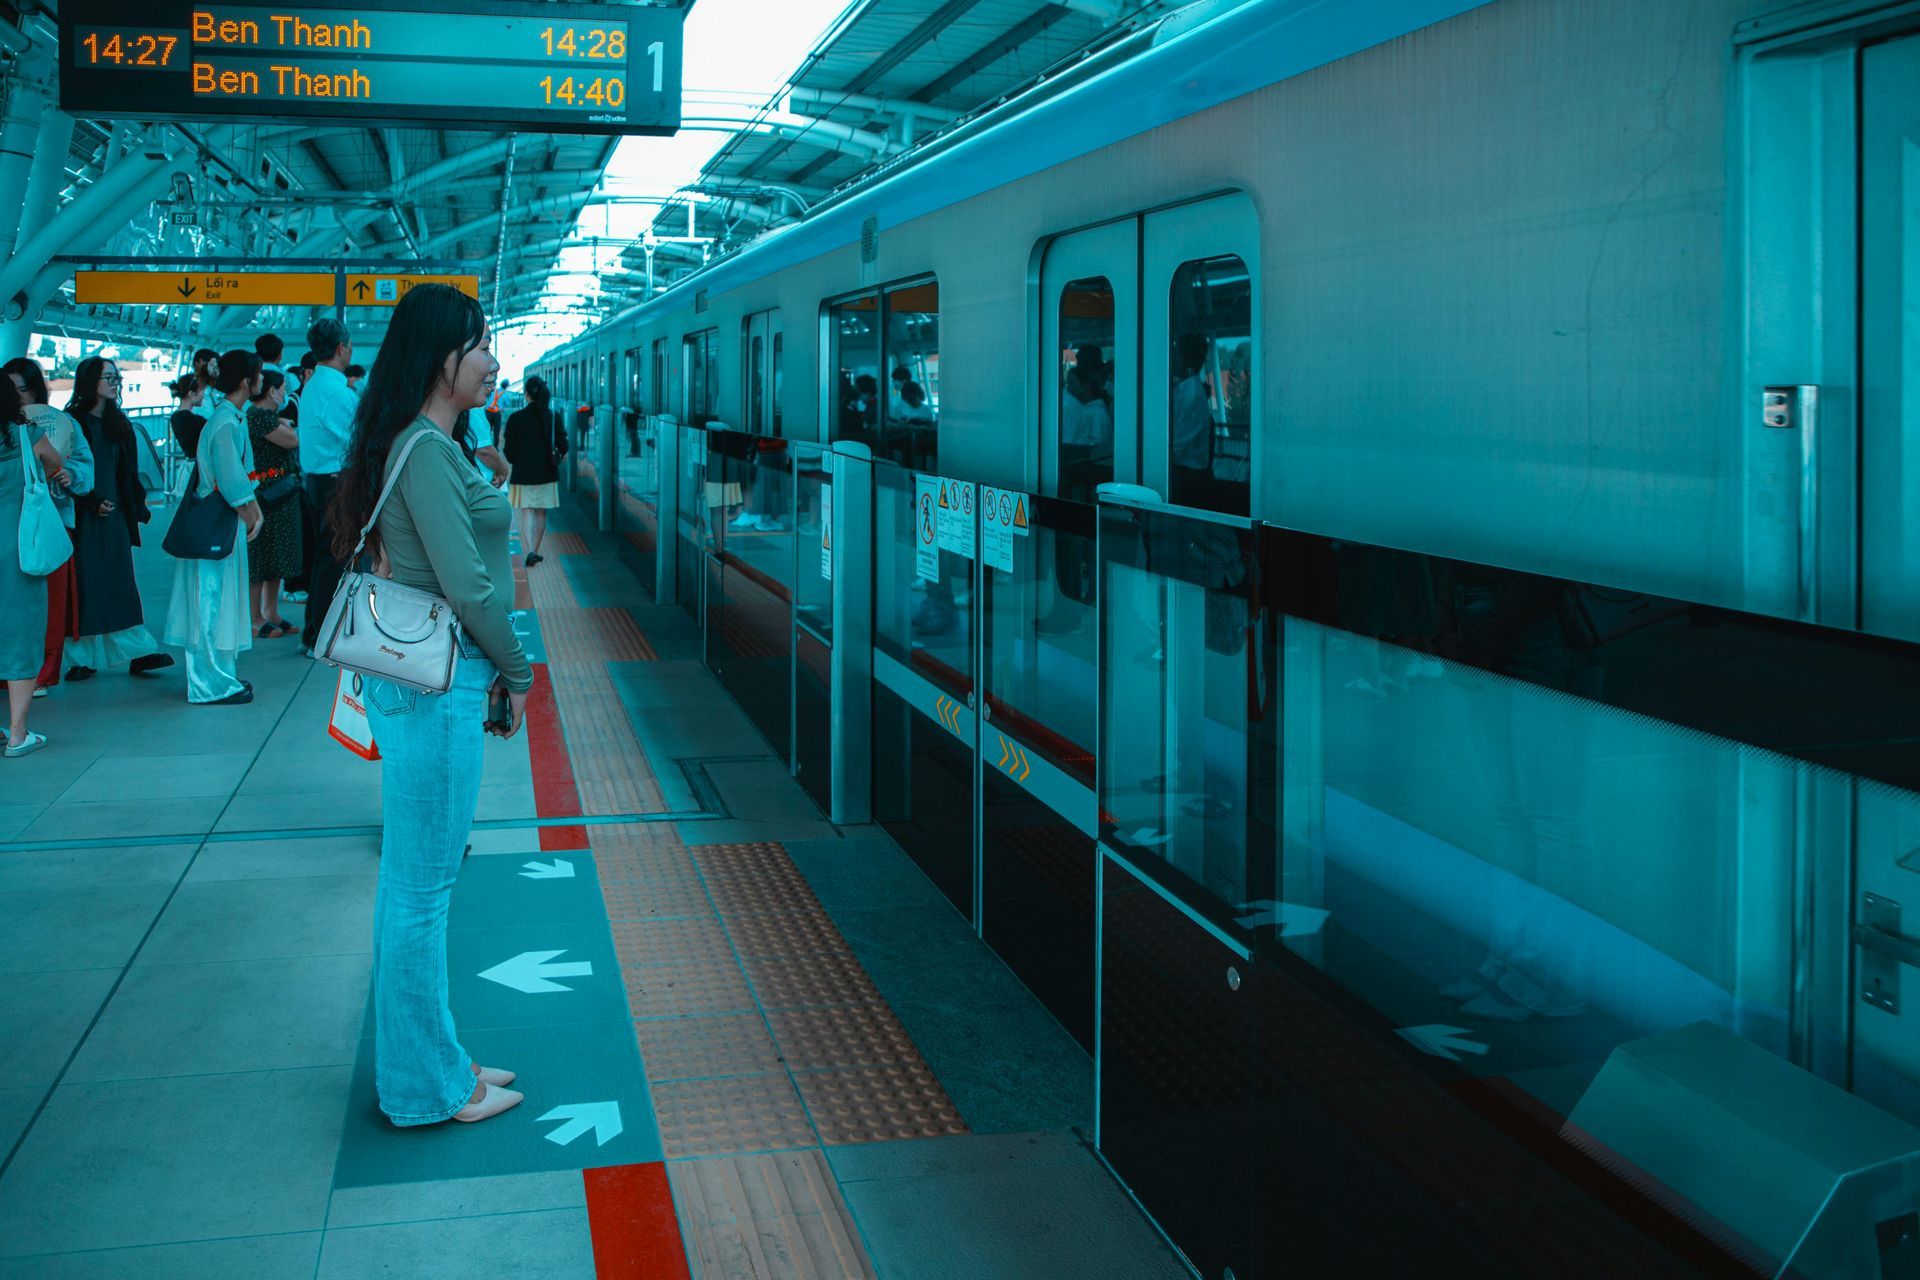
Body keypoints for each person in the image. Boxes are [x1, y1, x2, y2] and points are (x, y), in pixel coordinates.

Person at [328, 283, 531, 1127]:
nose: (492, 362)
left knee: (419, 887)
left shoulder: (425, 445)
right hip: (436, 688)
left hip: (422, 688)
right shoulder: (425, 450)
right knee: (422, 892)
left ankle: (436, 1057)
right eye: (480, 346)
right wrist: (519, 674)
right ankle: (424, 1087)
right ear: (439, 358)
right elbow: (473, 590)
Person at [164, 350, 264, 705]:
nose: (263, 380)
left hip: (220, 521)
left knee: (215, 599)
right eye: (259, 374)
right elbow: (231, 479)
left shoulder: (229, 417)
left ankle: (220, 676)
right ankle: (209, 682)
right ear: (245, 381)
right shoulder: (226, 423)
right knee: (210, 600)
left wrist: (250, 510)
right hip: (219, 522)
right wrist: (254, 513)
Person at [63, 357, 171, 680]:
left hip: (115, 517)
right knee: (84, 585)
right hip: (82, 516)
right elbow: (67, 471)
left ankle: (135, 651)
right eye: (107, 377)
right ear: (89, 382)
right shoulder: (73, 423)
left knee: (119, 583)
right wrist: (90, 501)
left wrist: (137, 506)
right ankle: (82, 658)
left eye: (116, 376)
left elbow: (127, 473)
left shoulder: (120, 424)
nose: (115, 382)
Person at [5, 358, 93, 695]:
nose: (17, 397)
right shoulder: (18, 430)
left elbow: (83, 468)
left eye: (23, 389)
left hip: (48, 524)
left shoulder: (60, 424)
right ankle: (18, 678)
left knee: (49, 602)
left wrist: (72, 477)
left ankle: (42, 672)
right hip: (16, 526)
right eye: (9, 390)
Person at [1, 374, 64, 755]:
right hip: (18, 549)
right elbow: (55, 462)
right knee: (21, 633)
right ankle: (18, 733)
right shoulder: (24, 434)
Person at [298, 318, 356, 653]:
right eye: (348, 345)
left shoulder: (315, 386)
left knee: (328, 558)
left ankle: (318, 630)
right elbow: (355, 438)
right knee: (335, 559)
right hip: (336, 482)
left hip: (320, 481)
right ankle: (320, 634)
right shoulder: (335, 390)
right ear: (340, 348)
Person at [245, 369, 301, 637]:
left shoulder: (267, 417)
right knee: (260, 556)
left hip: (279, 494)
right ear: (271, 391)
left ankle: (271, 610)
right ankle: (254, 616)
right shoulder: (257, 417)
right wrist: (286, 425)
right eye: (282, 388)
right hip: (266, 495)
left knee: (276, 554)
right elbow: (291, 441)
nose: (285, 393)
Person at [501, 375, 565, 565]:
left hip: (522, 473)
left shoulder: (515, 418)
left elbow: (508, 449)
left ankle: (528, 550)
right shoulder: (553, 417)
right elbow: (563, 443)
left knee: (526, 511)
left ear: (526, 395)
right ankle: (535, 550)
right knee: (540, 512)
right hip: (547, 473)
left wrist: (516, 461)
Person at [1169, 331, 1215, 510]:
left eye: (1175, 352)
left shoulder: (1192, 396)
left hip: (1188, 481)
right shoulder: (1183, 389)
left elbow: (1176, 446)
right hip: (1184, 476)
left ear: (1185, 359)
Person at [168, 374, 206, 461]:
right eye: (202, 391)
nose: (203, 395)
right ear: (191, 394)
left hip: (189, 466)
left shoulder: (175, 417)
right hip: (198, 467)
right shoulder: (193, 420)